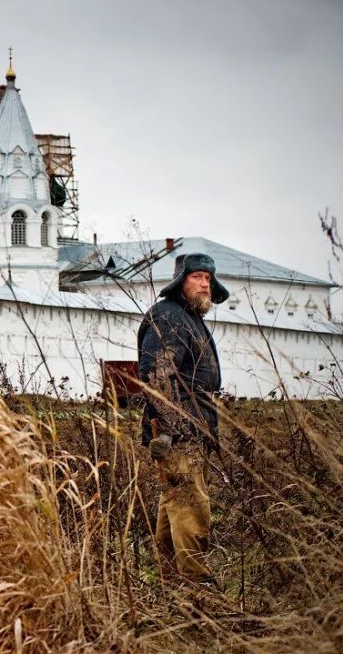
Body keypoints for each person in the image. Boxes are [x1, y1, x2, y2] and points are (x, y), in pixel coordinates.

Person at [138, 252, 228, 587]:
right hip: (180, 434)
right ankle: (195, 583)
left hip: (190, 429)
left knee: (175, 502)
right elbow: (157, 374)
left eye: (208, 277)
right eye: (197, 277)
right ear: (181, 281)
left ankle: (169, 580)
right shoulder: (170, 316)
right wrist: (171, 431)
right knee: (191, 505)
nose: (205, 284)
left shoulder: (188, 317)